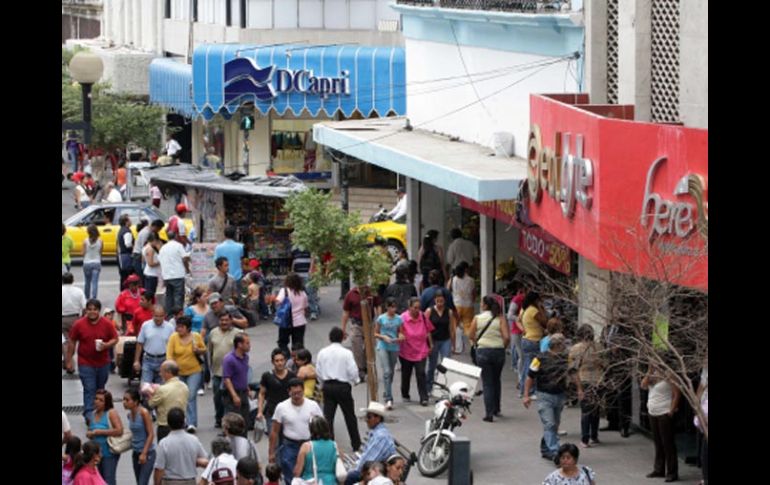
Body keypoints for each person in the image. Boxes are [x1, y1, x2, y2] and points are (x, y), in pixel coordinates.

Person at [65, 299, 119, 423]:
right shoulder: (79, 324)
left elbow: (115, 338)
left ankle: (99, 412)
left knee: (100, 389)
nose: (92, 312)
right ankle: (89, 414)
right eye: (89, 309)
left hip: (103, 363)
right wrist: (69, 360)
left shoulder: (106, 324)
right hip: (85, 363)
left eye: (95, 309)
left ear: (99, 311)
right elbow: (72, 342)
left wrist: (106, 345)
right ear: (86, 310)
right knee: (89, 388)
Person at [523, 333, 570, 461]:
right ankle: (556, 452)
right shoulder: (539, 358)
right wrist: (526, 395)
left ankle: (545, 448)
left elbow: (573, 373)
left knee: (554, 424)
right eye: (563, 345)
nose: (565, 347)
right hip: (545, 395)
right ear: (557, 346)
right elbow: (530, 376)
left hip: (559, 395)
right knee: (549, 424)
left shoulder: (566, 358)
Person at [269, 378, 323, 485]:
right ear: (289, 392)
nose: (297, 396)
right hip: (290, 446)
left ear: (303, 391)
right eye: (294, 394)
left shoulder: (313, 406)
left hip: (309, 444)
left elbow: (322, 427)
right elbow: (274, 431)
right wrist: (271, 453)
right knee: (291, 475)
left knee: (309, 475)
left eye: (299, 393)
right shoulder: (281, 407)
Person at [316, 327, 362, 451]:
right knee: (350, 416)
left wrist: (321, 384)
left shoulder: (322, 352)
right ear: (342, 338)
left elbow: (319, 371)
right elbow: (352, 369)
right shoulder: (346, 353)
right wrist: (356, 380)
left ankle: (329, 445)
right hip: (342, 387)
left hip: (328, 386)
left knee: (328, 417)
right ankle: (356, 444)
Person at [469, 295, 509, 422]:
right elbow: (507, 337)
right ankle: (497, 408)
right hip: (498, 351)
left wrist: (478, 343)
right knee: (496, 380)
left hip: (483, 352)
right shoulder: (500, 318)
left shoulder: (477, 318)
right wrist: (503, 346)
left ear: (485, 305)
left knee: (487, 383)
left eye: (481, 303)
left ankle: (489, 413)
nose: (480, 305)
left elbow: (470, 334)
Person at [166, 315, 206, 432]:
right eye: (178, 327)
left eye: (181, 327)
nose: (179, 329)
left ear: (188, 328)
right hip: (179, 372)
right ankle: (181, 420)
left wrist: (198, 350)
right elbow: (169, 354)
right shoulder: (173, 338)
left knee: (191, 395)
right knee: (180, 397)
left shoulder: (196, 336)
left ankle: (191, 422)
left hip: (194, 371)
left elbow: (204, 349)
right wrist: (171, 367)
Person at [641, 362, 680, 482]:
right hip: (653, 411)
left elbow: (677, 394)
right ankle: (659, 469)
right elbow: (643, 385)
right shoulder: (652, 375)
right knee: (658, 442)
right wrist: (649, 371)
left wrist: (671, 411)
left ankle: (672, 472)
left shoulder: (670, 375)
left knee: (667, 443)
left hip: (664, 412)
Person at [343, 402, 396, 485]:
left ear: (377, 418)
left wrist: (353, 468)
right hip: (374, 468)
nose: (366, 420)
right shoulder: (377, 432)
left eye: (368, 417)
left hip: (376, 472)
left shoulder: (381, 436)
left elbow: (368, 462)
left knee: (349, 476)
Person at [569, 325, 604, 449]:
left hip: (584, 380)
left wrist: (577, 388)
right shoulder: (599, 347)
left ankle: (585, 438)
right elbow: (606, 364)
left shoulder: (575, 349)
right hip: (598, 380)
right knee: (595, 409)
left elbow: (572, 369)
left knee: (585, 411)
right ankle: (594, 435)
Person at [153, 407, 209, 485]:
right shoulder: (194, 440)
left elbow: (159, 468)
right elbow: (205, 460)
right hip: (190, 481)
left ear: (168, 423)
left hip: (170, 481)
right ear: (184, 422)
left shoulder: (164, 443)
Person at [342, 284, 382, 381]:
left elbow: (378, 306)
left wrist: (379, 321)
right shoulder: (351, 294)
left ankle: (369, 367)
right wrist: (343, 329)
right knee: (357, 347)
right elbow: (346, 312)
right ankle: (360, 370)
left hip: (370, 324)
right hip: (356, 325)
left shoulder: (372, 293)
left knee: (370, 347)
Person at [399, 297, 433, 406]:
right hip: (406, 350)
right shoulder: (402, 318)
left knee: (421, 373)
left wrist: (431, 344)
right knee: (406, 373)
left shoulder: (423, 316)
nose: (417, 310)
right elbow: (397, 331)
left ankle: (424, 397)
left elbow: (428, 331)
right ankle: (405, 393)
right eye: (415, 308)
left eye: (419, 308)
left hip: (421, 350)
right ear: (409, 308)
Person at [86, 389, 123, 485]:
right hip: (96, 454)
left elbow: (119, 430)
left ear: (107, 403)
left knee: (109, 479)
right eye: (96, 399)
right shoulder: (93, 414)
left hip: (109, 453)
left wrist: (100, 432)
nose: (97, 402)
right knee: (99, 479)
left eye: (101, 400)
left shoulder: (111, 413)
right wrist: (90, 433)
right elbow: (90, 429)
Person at [148, 361, 190, 442]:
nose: (160, 374)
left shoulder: (163, 389)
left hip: (165, 426)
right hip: (181, 424)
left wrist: (150, 393)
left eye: (162, 371)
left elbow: (151, 403)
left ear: (168, 373)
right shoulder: (185, 387)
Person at [258, 348, 297, 437]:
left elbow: (296, 393)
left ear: (285, 361)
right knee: (273, 440)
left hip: (288, 413)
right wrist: (260, 411)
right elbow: (261, 393)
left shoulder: (292, 376)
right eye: (277, 361)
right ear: (273, 362)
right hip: (272, 413)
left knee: (287, 441)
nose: (279, 363)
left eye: (282, 360)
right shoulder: (267, 376)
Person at [425, 289, 457, 392]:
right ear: (434, 300)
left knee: (446, 364)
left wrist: (453, 344)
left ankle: (442, 387)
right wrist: (428, 344)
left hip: (445, 340)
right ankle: (428, 387)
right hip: (433, 340)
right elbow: (425, 327)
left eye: (441, 301)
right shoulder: (429, 311)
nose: (439, 303)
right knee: (432, 365)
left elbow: (452, 328)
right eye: (437, 301)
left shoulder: (449, 312)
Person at [375, 299, 405, 409]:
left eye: (394, 307)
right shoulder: (381, 318)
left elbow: (401, 331)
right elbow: (375, 333)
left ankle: (387, 389)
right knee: (387, 371)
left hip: (394, 346)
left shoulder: (399, 319)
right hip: (383, 346)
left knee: (391, 372)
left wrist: (401, 336)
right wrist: (383, 337)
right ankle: (389, 398)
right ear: (387, 307)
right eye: (391, 307)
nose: (393, 309)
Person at [122, 388, 156, 485]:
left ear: (136, 402)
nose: (124, 402)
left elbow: (151, 434)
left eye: (127, 400)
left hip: (147, 453)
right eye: (123, 399)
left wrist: (144, 453)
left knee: (142, 482)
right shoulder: (129, 415)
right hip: (136, 453)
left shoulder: (143, 413)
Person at [134, 305, 175, 385]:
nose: (158, 319)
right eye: (156, 316)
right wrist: (136, 361)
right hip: (148, 360)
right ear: (152, 315)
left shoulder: (170, 327)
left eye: (160, 316)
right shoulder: (146, 325)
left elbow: (173, 344)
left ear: (164, 316)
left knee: (161, 388)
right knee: (146, 387)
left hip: (163, 360)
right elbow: (139, 343)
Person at [293, 416, 338, 485]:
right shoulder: (334, 446)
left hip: (311, 481)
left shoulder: (306, 447)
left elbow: (298, 472)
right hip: (330, 481)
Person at [520, 291, 548, 398]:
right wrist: (541, 309)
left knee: (527, 364)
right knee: (533, 366)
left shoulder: (525, 309)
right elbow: (545, 322)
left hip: (527, 339)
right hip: (533, 340)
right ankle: (530, 390)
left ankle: (524, 389)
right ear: (536, 300)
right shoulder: (533, 311)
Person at [158, 230, 191, 315]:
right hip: (178, 275)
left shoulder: (163, 248)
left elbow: (160, 261)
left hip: (167, 276)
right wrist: (187, 269)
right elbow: (184, 258)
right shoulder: (178, 246)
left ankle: (169, 315)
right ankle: (178, 315)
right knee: (178, 297)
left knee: (169, 297)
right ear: (176, 236)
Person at [223, 333, 252, 426]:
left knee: (245, 420)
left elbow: (242, 374)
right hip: (233, 393)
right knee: (234, 422)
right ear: (239, 344)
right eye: (247, 343)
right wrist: (234, 396)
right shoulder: (229, 359)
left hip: (243, 392)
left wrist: (247, 388)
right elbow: (227, 379)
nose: (249, 345)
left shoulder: (245, 357)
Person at [275, 273, 309, 353]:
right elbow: (305, 307)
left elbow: (278, 302)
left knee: (282, 343)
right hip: (300, 321)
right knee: (298, 344)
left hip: (286, 321)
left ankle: (287, 358)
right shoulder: (303, 293)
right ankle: (298, 360)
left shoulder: (284, 291)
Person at [449, 262, 475, 354]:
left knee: (454, 326)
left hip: (456, 305)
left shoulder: (454, 279)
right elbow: (473, 294)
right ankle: (473, 345)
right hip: (468, 305)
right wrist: (472, 302)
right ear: (466, 269)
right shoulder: (471, 280)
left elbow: (448, 288)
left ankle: (456, 348)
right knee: (468, 327)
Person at [62, 272, 87, 344]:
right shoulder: (79, 291)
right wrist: (82, 317)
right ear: (73, 280)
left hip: (63, 319)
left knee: (65, 341)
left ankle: (67, 354)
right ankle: (70, 354)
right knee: (73, 340)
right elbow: (84, 307)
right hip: (75, 319)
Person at [507, 285, 526, 379]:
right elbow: (510, 315)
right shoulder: (517, 299)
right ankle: (520, 377)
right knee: (522, 355)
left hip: (526, 331)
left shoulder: (532, 300)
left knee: (524, 356)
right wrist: (520, 319)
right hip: (517, 331)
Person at [82, 224, 103, 299]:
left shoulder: (85, 241)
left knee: (87, 282)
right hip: (96, 263)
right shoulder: (100, 241)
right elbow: (100, 253)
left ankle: (86, 297)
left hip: (87, 263)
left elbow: (83, 253)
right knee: (95, 282)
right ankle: (94, 298)